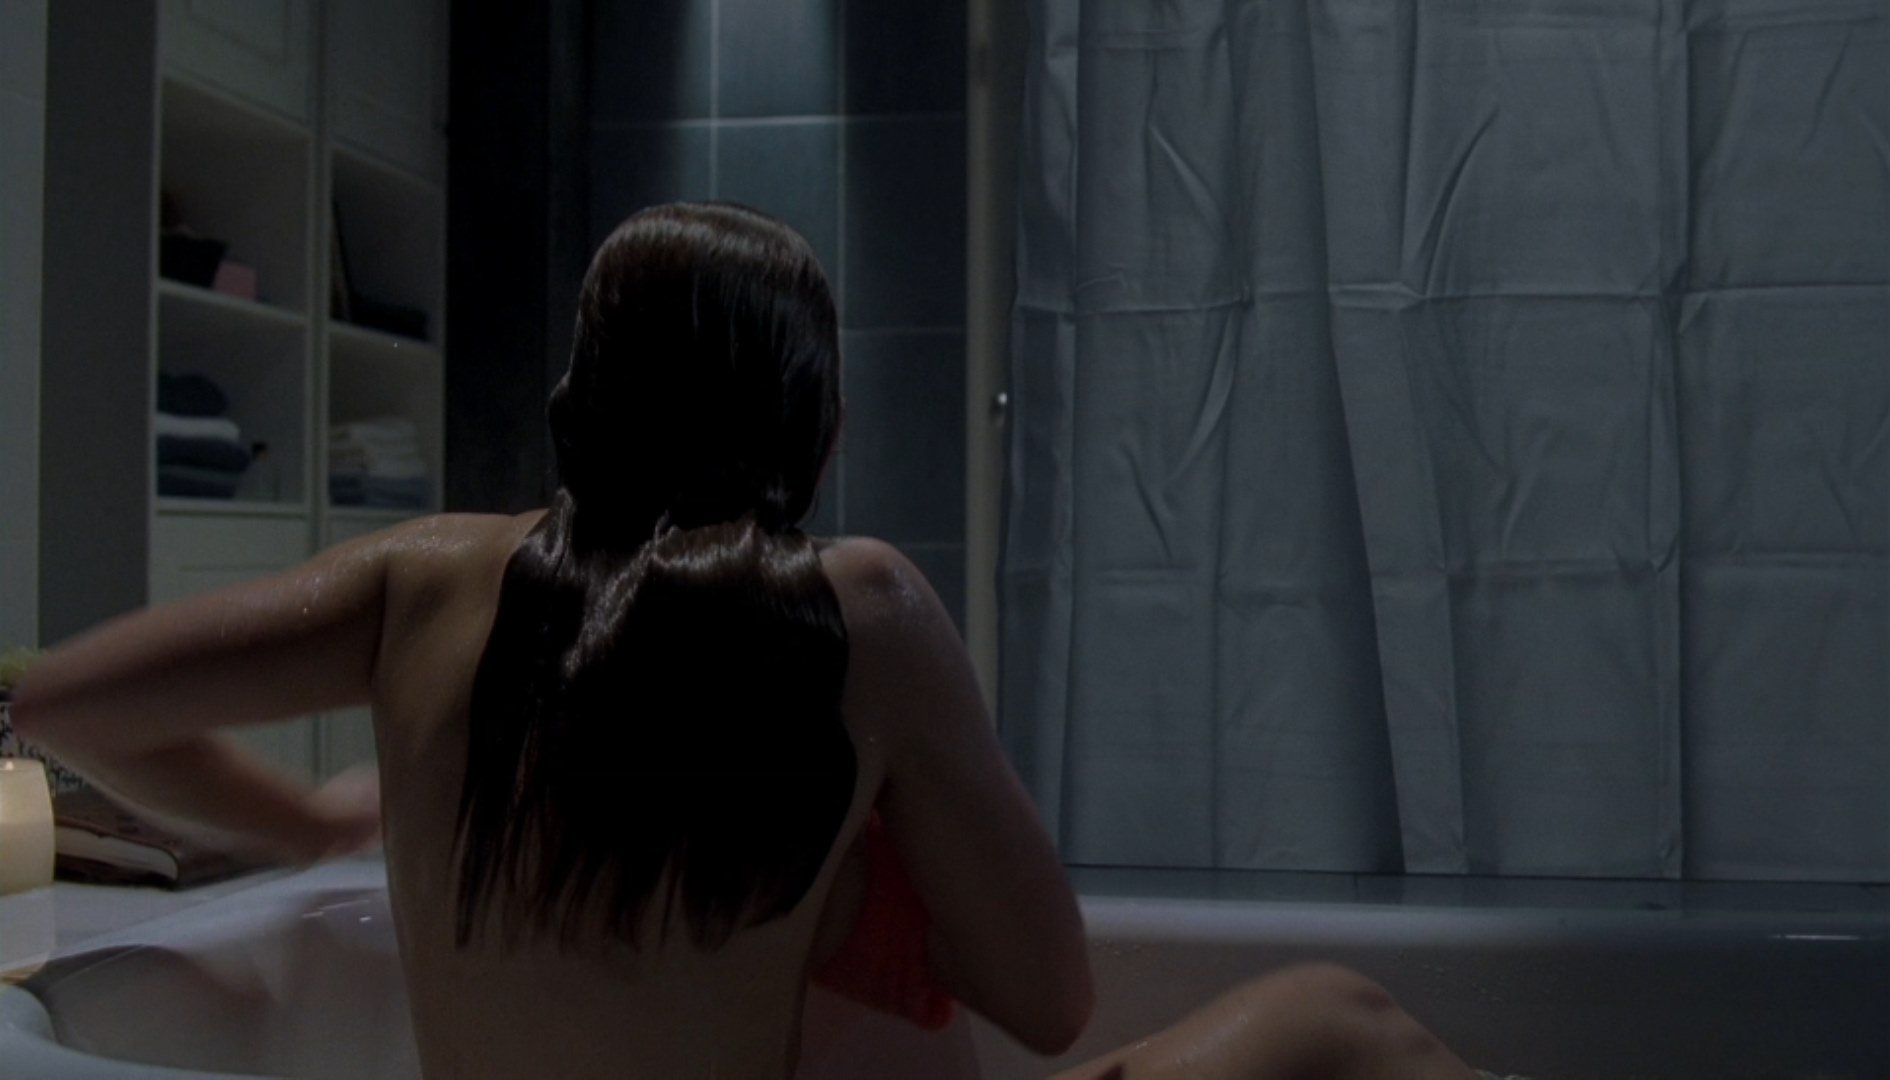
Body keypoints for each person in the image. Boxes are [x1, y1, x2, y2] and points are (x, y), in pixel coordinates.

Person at [12, 202, 1476, 1080]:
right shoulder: (857, 613)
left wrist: (310, 825)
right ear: (817, 429)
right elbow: (1048, 1002)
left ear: (581, 399)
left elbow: (66, 703)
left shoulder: (424, 580)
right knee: (1331, 1022)